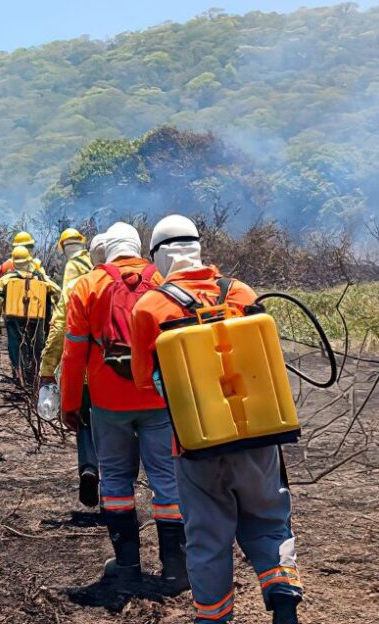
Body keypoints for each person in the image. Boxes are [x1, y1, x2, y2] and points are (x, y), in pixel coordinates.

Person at [129, 215, 303, 624]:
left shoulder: (150, 307)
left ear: (158, 257)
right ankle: (282, 595)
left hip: (195, 444)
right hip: (259, 436)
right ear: (197, 248)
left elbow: (142, 380)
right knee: (268, 521)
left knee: (208, 537)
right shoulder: (241, 293)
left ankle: (213, 618)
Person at [59, 222, 186, 591]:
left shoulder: (88, 285)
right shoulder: (162, 279)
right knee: (167, 480)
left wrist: (71, 404)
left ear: (108, 249)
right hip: (158, 399)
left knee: (115, 480)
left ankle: (128, 568)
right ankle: (176, 570)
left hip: (107, 402)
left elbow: (73, 353)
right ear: (138, 247)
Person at [38, 228, 99, 507]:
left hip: (85, 366)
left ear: (63, 249)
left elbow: (62, 322)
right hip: (118, 368)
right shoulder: (108, 270)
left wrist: (46, 368)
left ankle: (89, 467)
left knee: (85, 419)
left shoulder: (74, 274)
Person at [0, 246, 60, 387]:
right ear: (29, 261)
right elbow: (57, 291)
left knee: (15, 346)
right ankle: (34, 375)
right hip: (37, 317)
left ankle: (19, 374)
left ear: (14, 262)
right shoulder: (40, 278)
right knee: (36, 346)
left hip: (14, 318)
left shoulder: (5, 279)